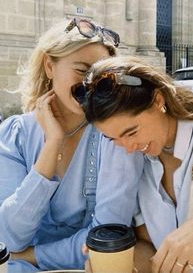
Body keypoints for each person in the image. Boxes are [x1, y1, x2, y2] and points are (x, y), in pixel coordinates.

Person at [0, 20, 144, 273]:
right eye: (81, 70)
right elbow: (8, 238)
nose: (90, 84)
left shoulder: (114, 138)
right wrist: (51, 146)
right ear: (49, 66)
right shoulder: (15, 135)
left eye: (100, 76)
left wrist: (32, 256)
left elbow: (106, 240)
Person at [79, 55, 193, 273]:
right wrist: (120, 261)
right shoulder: (138, 160)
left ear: (158, 100)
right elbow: (150, 246)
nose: (128, 147)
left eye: (131, 132)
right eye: (113, 139)